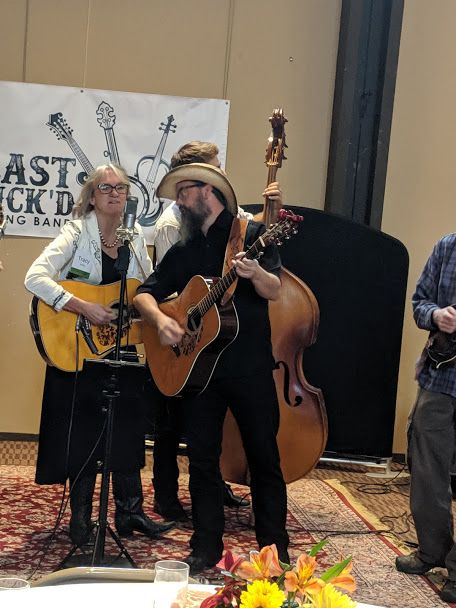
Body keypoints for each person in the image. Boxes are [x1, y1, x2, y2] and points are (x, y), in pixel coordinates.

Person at [134, 162, 289, 575]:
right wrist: (161, 320)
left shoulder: (252, 236)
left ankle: (275, 552)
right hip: (201, 374)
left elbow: (275, 289)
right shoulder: (185, 249)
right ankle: (205, 547)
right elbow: (144, 294)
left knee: (264, 458)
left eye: (184, 192)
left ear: (208, 191)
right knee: (202, 460)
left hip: (249, 368)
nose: (179, 202)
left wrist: (255, 272)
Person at [25, 163, 174, 548]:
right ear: (92, 197)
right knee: (85, 434)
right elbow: (34, 277)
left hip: (121, 344)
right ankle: (80, 519)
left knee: (127, 426)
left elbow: (147, 285)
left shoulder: (134, 236)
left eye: (121, 188)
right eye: (106, 188)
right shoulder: (75, 232)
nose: (115, 194)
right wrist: (83, 306)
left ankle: (129, 512)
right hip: (78, 347)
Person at [395, 233, 456, 603]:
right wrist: (437, 315)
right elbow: (420, 303)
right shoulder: (447, 246)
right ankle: (432, 550)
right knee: (427, 471)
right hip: (441, 376)